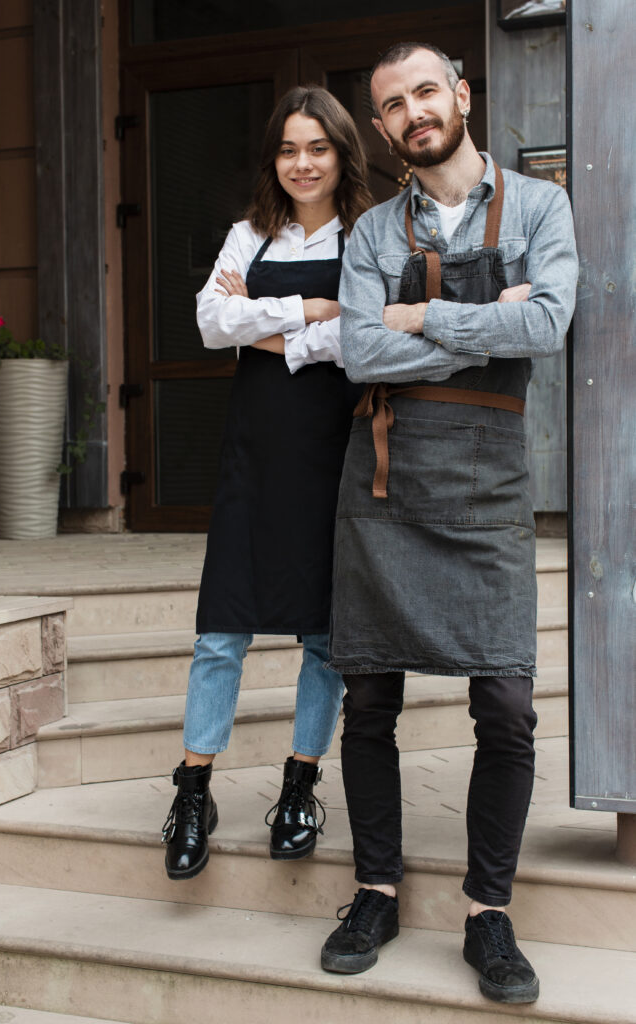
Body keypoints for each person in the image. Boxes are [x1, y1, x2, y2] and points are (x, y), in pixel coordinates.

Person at [319, 43, 578, 1005]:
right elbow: (357, 354)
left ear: (461, 94)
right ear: (381, 128)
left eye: (425, 92)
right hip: (385, 486)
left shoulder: (540, 208)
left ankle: (487, 912)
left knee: (505, 708)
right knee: (368, 701)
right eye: (393, 104)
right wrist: (477, 324)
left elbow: (545, 326)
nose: (413, 112)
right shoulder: (370, 230)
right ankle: (374, 893)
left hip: (489, 485)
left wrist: (419, 319)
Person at [162, 86, 373, 882]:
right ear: (272, 159)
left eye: (316, 148)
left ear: (341, 154)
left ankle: (299, 784)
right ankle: (192, 791)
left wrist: (273, 327)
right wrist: (310, 306)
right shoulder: (249, 232)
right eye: (287, 149)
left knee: (324, 635)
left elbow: (363, 336)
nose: (301, 163)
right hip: (252, 456)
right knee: (221, 630)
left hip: (333, 455)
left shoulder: (369, 235)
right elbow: (210, 322)